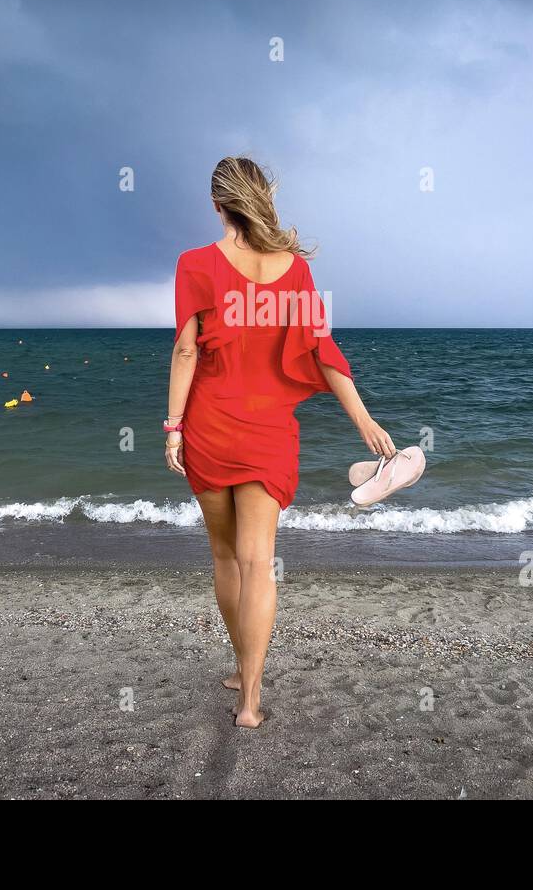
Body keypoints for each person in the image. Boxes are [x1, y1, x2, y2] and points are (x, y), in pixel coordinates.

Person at [164, 157, 395, 727]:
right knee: (259, 564)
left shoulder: (194, 264)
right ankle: (249, 701)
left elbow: (187, 351)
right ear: (261, 198)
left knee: (224, 557)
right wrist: (361, 419)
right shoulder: (294, 271)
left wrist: (173, 426)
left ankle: (242, 669)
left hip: (210, 426)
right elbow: (322, 348)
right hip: (270, 434)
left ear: (216, 203)